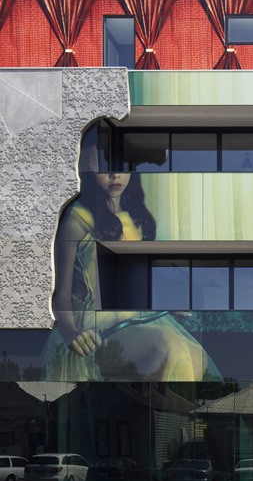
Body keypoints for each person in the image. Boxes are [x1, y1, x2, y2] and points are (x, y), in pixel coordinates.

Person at [43, 138, 221, 382]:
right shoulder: (78, 220)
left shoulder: (136, 219)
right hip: (96, 331)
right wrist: (70, 331)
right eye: (104, 165)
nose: (114, 174)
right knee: (166, 345)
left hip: (134, 321)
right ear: (86, 166)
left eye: (121, 164)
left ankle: (168, 407)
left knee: (195, 356)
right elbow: (61, 293)